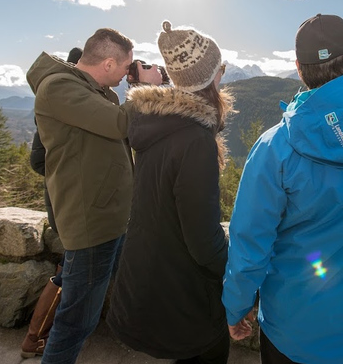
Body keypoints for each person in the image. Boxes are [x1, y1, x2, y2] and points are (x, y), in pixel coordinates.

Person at [222, 14, 343, 364]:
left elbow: (250, 241)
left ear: (299, 68)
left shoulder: (274, 148)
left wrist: (236, 305)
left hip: (293, 331)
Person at [26, 29, 162, 364]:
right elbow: (119, 124)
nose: (125, 74)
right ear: (109, 62)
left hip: (111, 216)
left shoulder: (94, 89)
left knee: (88, 307)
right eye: (124, 67)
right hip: (91, 223)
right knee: (76, 322)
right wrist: (146, 88)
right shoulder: (60, 87)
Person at [107, 20, 232, 364]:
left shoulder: (154, 123)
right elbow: (203, 240)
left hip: (148, 276)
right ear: (210, 77)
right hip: (181, 291)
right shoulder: (194, 140)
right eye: (221, 67)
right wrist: (236, 275)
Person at [21, 46, 82, 359]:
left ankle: (41, 336)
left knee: (69, 268)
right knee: (67, 271)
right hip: (67, 202)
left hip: (71, 201)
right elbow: (38, 159)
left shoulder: (66, 101)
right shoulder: (60, 103)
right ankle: (35, 338)